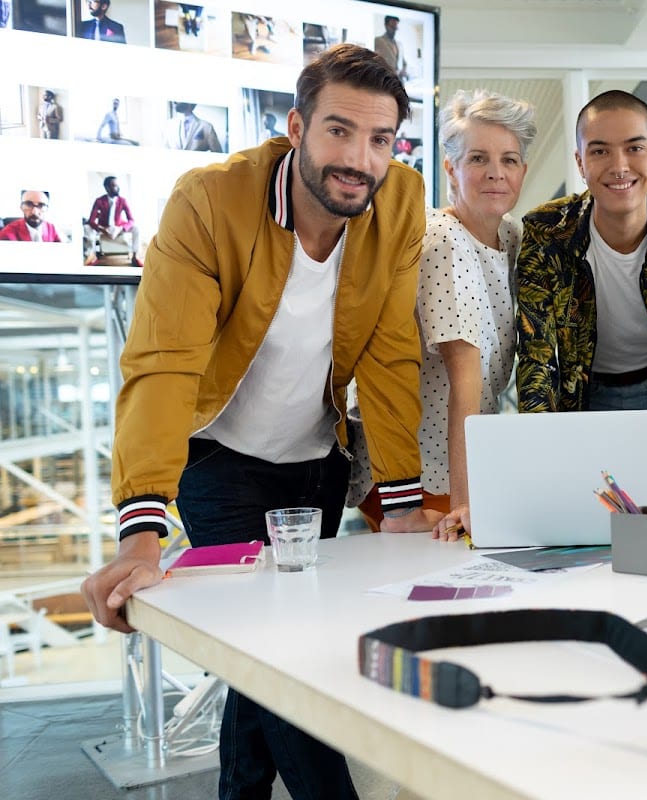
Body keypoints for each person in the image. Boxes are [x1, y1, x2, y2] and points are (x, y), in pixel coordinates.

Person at [79, 43, 435, 799]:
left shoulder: (400, 199)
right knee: (286, 650)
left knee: (263, 656)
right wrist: (142, 532)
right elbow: (163, 362)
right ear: (296, 126)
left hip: (317, 460)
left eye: (380, 140)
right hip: (220, 458)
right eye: (339, 131)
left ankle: (238, 791)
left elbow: (391, 355)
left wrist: (400, 502)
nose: (360, 160)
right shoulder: (209, 199)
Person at [515, 90, 647, 478]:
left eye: (634, 148)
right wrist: (539, 458)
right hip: (581, 391)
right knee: (582, 509)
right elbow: (537, 358)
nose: (619, 166)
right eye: (599, 151)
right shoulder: (547, 233)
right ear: (580, 162)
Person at [405, 89, 536, 542]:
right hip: (426, 471)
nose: (496, 173)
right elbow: (465, 378)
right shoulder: (443, 238)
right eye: (478, 158)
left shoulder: (511, 237)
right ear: (451, 169)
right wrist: (463, 504)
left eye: (510, 160)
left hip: (463, 460)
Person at [84, 176, 141, 266]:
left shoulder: (123, 200)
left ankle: (135, 256)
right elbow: (91, 220)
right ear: (107, 188)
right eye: (114, 186)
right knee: (86, 227)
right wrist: (103, 229)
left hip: (118, 227)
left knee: (136, 228)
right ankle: (91, 255)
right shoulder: (99, 201)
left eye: (117, 186)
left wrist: (120, 228)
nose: (117, 188)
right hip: (103, 227)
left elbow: (131, 220)